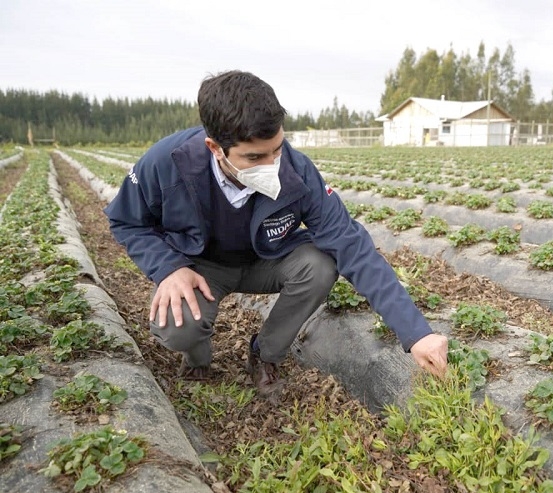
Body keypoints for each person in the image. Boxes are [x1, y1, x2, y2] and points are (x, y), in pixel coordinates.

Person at [103, 70, 449, 399]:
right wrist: (168, 267)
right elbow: (126, 221)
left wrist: (416, 333)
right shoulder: (166, 162)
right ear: (215, 148)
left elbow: (351, 244)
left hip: (265, 261)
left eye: (277, 149)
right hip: (199, 267)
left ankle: (265, 354)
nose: (272, 164)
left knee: (320, 265)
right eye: (254, 156)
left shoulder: (297, 171)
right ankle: (197, 359)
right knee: (178, 327)